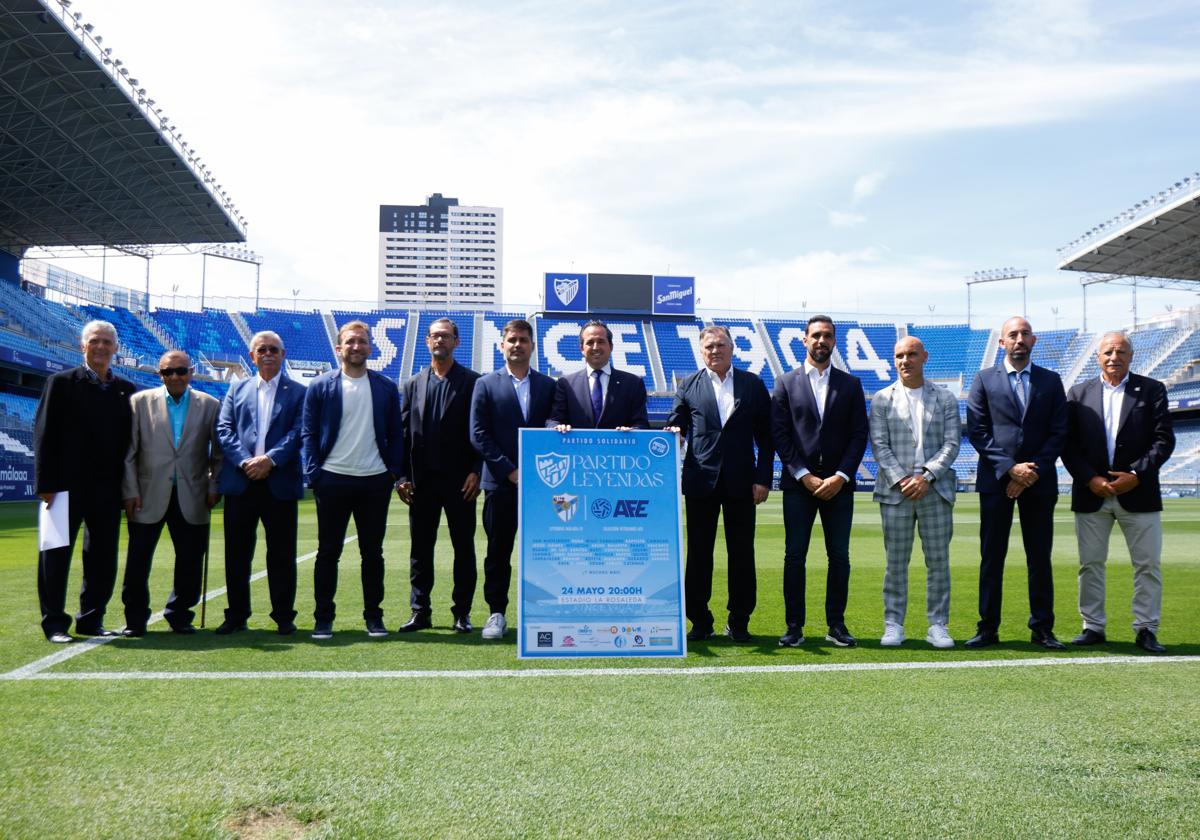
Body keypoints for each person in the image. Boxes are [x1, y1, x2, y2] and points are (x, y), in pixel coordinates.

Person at [1062, 332, 1175, 653]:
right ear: (1098, 356)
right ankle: (1093, 626)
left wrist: (1137, 474)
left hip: (1139, 493)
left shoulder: (1151, 390)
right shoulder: (1078, 394)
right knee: (1091, 564)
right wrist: (1089, 479)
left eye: (1121, 351)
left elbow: (1163, 439)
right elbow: (1067, 445)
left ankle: (1146, 628)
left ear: (1131, 355)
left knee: (1147, 564)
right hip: (1091, 493)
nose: (1114, 357)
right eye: (1108, 351)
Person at [665, 325, 773, 643]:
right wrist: (674, 431)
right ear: (701, 351)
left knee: (742, 553)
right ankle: (700, 620)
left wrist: (763, 479)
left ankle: (739, 621)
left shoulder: (752, 385)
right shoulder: (688, 385)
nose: (715, 351)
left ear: (732, 348)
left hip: (742, 483)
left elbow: (766, 439)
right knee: (699, 554)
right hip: (700, 482)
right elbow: (676, 422)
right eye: (709, 346)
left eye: (721, 345)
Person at [965, 316, 1068, 649]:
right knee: (991, 557)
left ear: (1033, 341)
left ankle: (1042, 628)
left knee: (1039, 557)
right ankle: (987, 627)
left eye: (1025, 334)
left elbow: (1059, 432)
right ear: (1002, 343)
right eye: (1013, 334)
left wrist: (1030, 472)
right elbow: (978, 432)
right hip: (997, 482)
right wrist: (1011, 469)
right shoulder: (983, 380)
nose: (1019, 339)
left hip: (1039, 482)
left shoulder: (1051, 382)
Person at [34, 320, 136, 642]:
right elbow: (44, 434)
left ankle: (91, 619)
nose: (101, 347)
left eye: (107, 342)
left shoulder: (126, 391)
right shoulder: (60, 383)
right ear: (83, 346)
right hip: (62, 488)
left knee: (103, 559)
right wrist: (45, 484)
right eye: (95, 341)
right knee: (55, 556)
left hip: (106, 490)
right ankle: (54, 624)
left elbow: (129, 445)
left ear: (116, 348)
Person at [302, 320, 404, 640]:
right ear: (339, 348)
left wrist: (393, 472)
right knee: (327, 553)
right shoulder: (320, 386)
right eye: (350, 342)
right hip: (332, 479)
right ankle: (323, 618)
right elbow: (309, 432)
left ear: (370, 347)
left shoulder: (386, 387)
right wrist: (313, 473)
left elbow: (395, 435)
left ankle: (374, 616)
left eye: (362, 341)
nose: (356, 347)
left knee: (372, 554)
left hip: (374, 481)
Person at [772, 315, 868, 648]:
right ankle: (794, 626)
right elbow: (781, 436)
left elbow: (859, 435)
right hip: (800, 486)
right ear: (804, 340)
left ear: (834, 341)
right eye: (815, 335)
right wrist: (805, 475)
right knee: (794, 557)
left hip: (839, 487)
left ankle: (836, 625)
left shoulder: (851, 385)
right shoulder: (785, 382)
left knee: (839, 557)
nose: (821, 341)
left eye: (827, 336)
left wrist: (841, 475)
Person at [120, 350, 223, 636]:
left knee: (190, 561)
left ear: (191, 372)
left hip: (194, 494)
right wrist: (129, 491)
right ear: (159, 374)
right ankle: (135, 619)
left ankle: (180, 614)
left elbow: (219, 454)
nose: (174, 377)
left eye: (180, 371)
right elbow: (129, 453)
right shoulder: (139, 403)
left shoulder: (210, 404)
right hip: (147, 493)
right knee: (138, 561)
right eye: (168, 372)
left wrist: (214, 485)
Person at [868, 337, 961, 649]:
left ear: (924, 357)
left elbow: (952, 443)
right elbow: (879, 446)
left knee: (938, 562)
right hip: (896, 492)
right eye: (899, 356)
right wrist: (904, 479)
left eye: (911, 355)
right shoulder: (882, 399)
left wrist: (927, 476)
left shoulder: (946, 398)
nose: (904, 361)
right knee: (895, 563)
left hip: (936, 491)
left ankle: (938, 625)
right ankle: (893, 623)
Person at [469, 319, 556, 640]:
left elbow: (556, 423)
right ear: (501, 345)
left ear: (533, 346)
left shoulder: (549, 385)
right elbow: (478, 434)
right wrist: (510, 469)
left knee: (545, 551)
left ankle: (544, 611)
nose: (517, 345)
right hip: (500, 484)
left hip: (542, 487)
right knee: (498, 552)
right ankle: (496, 613)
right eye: (512, 340)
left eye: (523, 340)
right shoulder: (486, 384)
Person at [216, 330, 305, 635]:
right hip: (241, 483)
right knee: (237, 554)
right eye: (262, 350)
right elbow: (224, 430)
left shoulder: (298, 392)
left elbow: (298, 432)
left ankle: (283, 615)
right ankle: (236, 615)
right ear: (252, 356)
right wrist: (246, 461)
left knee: (281, 554)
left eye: (274, 350)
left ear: (283, 355)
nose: (268, 354)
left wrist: (270, 460)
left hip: (278, 482)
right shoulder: (236, 390)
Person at [396, 318, 482, 633]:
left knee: (464, 548)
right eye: (434, 336)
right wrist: (401, 476)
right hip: (421, 483)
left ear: (456, 342)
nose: (439, 341)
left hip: (461, 482)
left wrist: (477, 470)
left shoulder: (473, 382)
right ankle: (421, 611)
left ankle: (462, 612)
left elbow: (479, 431)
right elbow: (403, 435)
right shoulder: (413, 384)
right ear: (427, 341)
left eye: (445, 336)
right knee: (420, 550)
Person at [547, 320, 648, 431]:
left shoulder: (633, 383)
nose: (595, 347)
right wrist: (558, 427)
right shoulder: (566, 384)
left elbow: (641, 424)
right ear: (582, 348)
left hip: (618, 448)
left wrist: (632, 431)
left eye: (601, 341)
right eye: (590, 342)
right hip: (578, 448)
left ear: (611, 346)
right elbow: (554, 420)